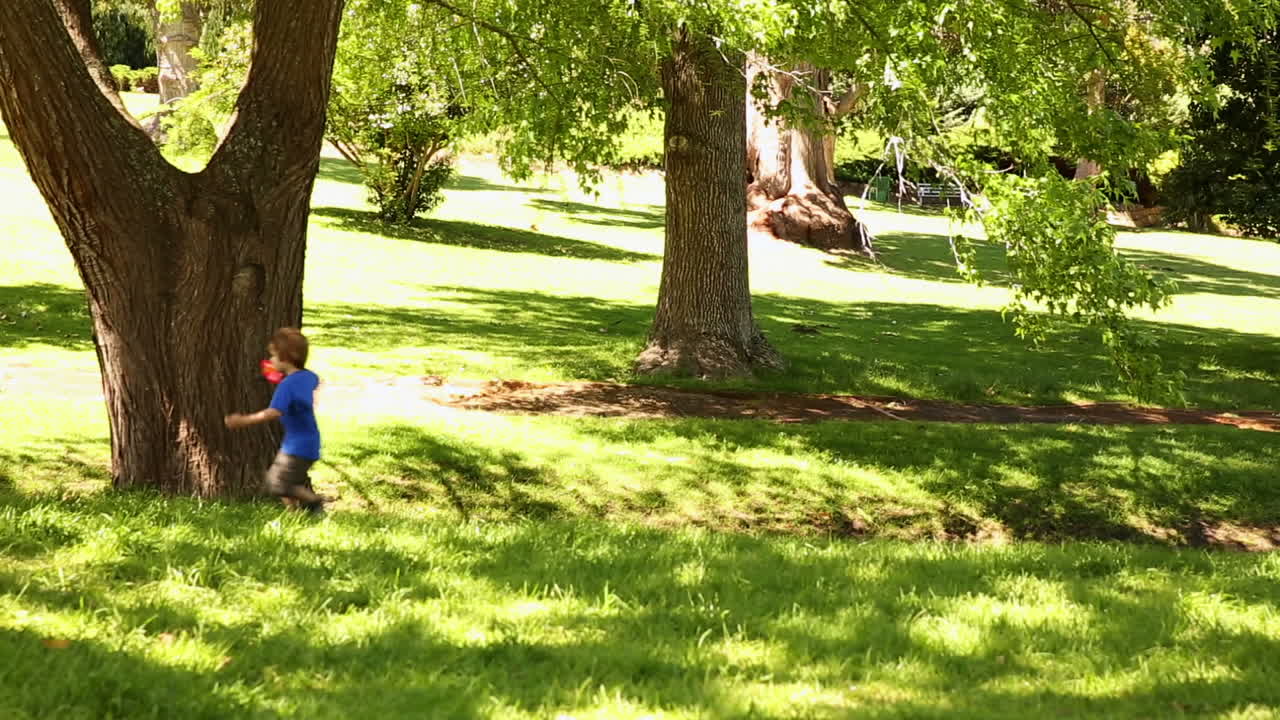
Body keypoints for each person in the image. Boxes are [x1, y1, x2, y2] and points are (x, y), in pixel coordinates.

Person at [225, 327, 325, 515]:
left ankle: (314, 501)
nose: (270, 360)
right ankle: (293, 516)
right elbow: (311, 382)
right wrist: (278, 374)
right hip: (310, 442)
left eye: (274, 356)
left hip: (297, 446)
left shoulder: (287, 386)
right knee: (286, 482)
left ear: (286, 358)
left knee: (277, 483)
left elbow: (274, 412)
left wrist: (243, 421)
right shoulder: (307, 377)